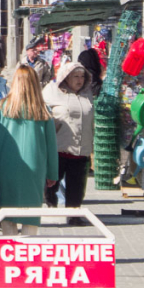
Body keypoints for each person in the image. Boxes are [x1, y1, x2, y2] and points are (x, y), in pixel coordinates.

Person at [0, 66, 58, 236]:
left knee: (8, 213)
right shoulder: (43, 110)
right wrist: (52, 173)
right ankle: (28, 250)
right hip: (35, 168)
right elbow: (51, 145)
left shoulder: (2, 108)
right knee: (32, 214)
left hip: (6, 167)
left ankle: (11, 248)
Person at [42, 61, 94, 223]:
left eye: (82, 76)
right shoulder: (52, 91)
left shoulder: (87, 93)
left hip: (81, 149)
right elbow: (41, 112)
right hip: (59, 148)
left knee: (77, 187)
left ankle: (74, 215)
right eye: (75, 76)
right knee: (52, 183)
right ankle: (50, 205)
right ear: (66, 77)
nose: (79, 80)